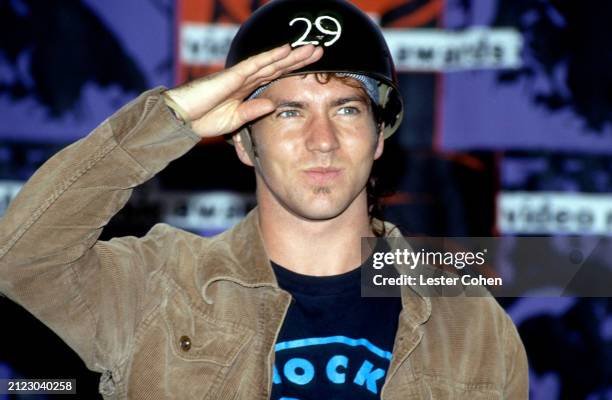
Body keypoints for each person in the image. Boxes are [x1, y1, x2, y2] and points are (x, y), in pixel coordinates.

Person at [0, 0, 528, 398]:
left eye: (346, 109)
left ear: (379, 136)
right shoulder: (158, 288)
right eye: (288, 112)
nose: (322, 140)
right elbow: (21, 258)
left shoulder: (470, 323)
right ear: (243, 142)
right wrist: (169, 122)